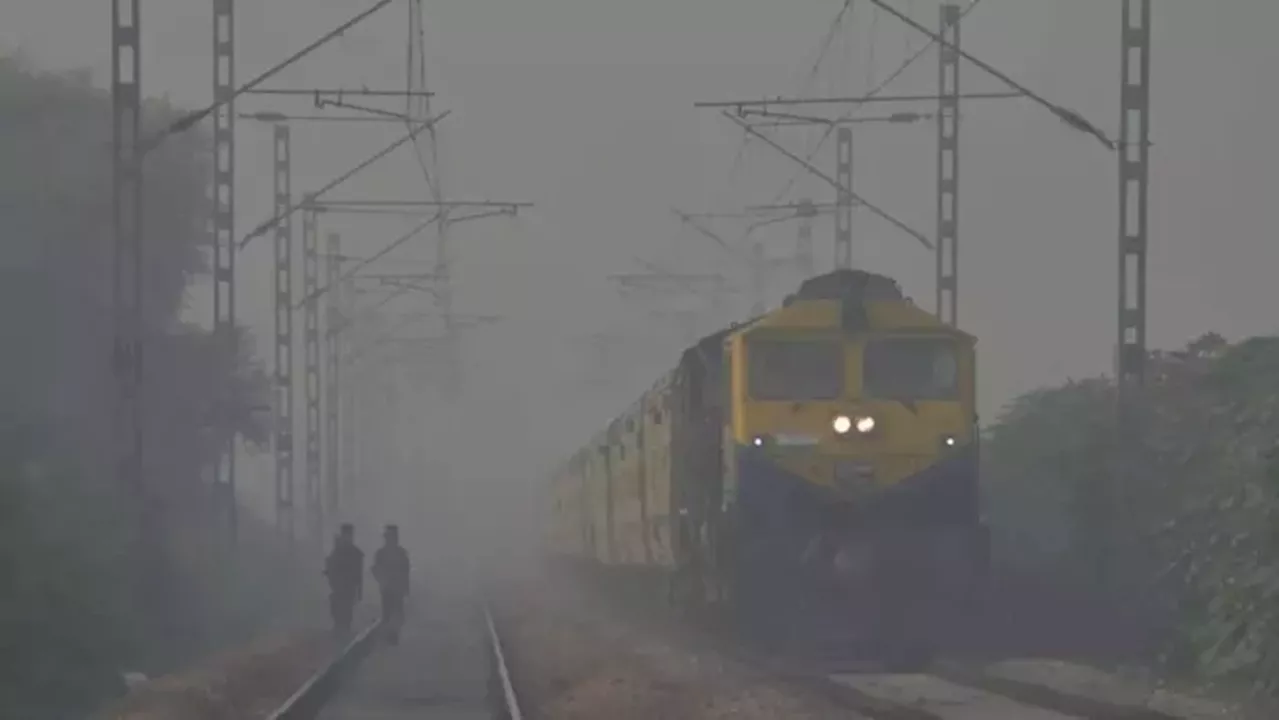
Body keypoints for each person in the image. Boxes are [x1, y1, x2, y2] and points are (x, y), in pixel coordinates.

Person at [372, 524, 411, 644]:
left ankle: (393, 636)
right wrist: (381, 580)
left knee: (396, 614)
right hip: (388, 589)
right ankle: (389, 636)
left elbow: (406, 571)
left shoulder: (400, 553)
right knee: (388, 614)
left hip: (396, 589)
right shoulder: (382, 553)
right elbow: (376, 569)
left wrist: (406, 587)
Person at [323, 523, 364, 637]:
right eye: (345, 534)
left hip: (348, 587)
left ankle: (344, 631)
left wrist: (360, 591)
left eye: (348, 535)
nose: (347, 537)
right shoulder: (337, 551)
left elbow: (359, 574)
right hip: (338, 587)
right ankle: (339, 629)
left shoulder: (355, 553)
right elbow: (330, 565)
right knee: (336, 609)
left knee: (346, 612)